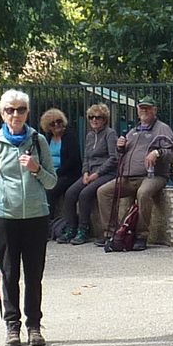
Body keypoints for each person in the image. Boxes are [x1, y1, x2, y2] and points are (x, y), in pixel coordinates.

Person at [0, 89, 57, 346]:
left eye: (21, 109)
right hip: (5, 216)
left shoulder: (38, 141)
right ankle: (12, 326)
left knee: (34, 274)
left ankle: (34, 325)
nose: (16, 114)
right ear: (2, 113)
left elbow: (52, 182)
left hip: (36, 214)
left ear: (28, 112)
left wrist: (36, 169)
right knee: (9, 273)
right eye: (10, 110)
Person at [96, 95, 173, 252]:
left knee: (143, 193)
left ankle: (141, 236)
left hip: (153, 176)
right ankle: (112, 233)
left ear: (154, 110)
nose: (144, 110)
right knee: (103, 191)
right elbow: (119, 157)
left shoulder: (162, 128)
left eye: (148, 108)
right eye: (141, 108)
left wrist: (158, 153)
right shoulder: (133, 131)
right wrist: (120, 147)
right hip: (128, 176)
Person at [57, 103, 118, 245]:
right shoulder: (90, 135)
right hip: (89, 172)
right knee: (70, 193)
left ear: (105, 119)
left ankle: (83, 230)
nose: (94, 120)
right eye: (91, 117)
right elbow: (86, 158)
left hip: (106, 173)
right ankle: (71, 227)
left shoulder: (110, 134)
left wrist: (97, 173)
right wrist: (85, 172)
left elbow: (113, 158)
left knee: (85, 194)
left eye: (98, 117)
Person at [39, 107, 81, 238]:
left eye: (58, 121)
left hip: (67, 174)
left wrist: (56, 173)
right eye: (52, 123)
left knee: (49, 191)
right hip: (51, 173)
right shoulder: (47, 138)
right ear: (48, 127)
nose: (57, 125)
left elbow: (73, 160)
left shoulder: (69, 137)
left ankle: (46, 227)